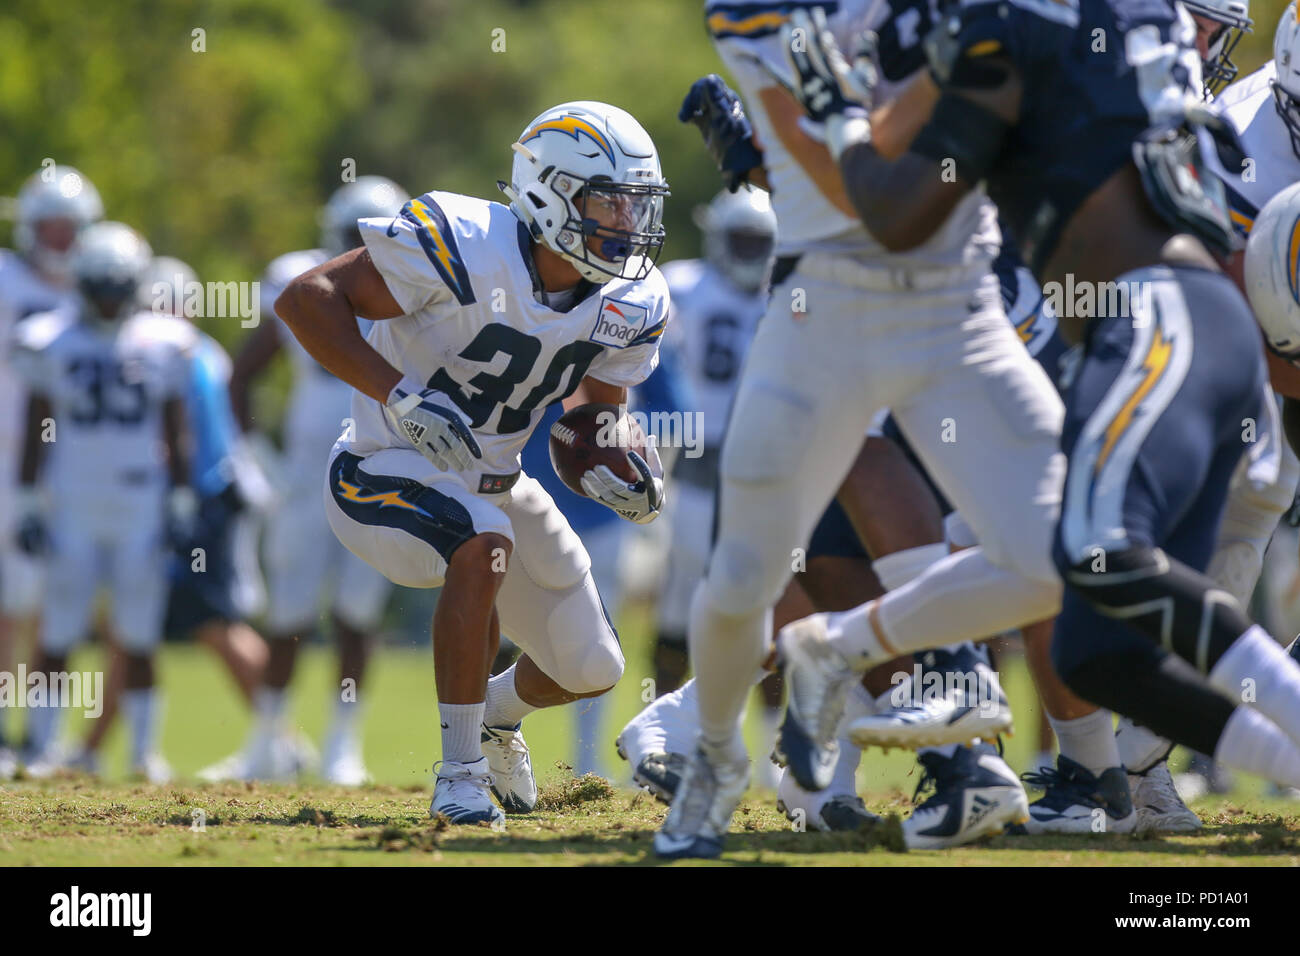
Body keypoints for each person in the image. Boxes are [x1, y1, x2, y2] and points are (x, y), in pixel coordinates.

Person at [273, 101, 671, 826]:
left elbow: (591, 415)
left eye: (635, 204)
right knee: (481, 540)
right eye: (608, 201)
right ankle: (458, 773)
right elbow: (306, 299)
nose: (625, 222)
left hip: (495, 478)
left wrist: (616, 466)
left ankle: (493, 718)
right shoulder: (464, 239)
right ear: (550, 191)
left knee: (593, 668)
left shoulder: (632, 299)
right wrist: (398, 394)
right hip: (377, 468)